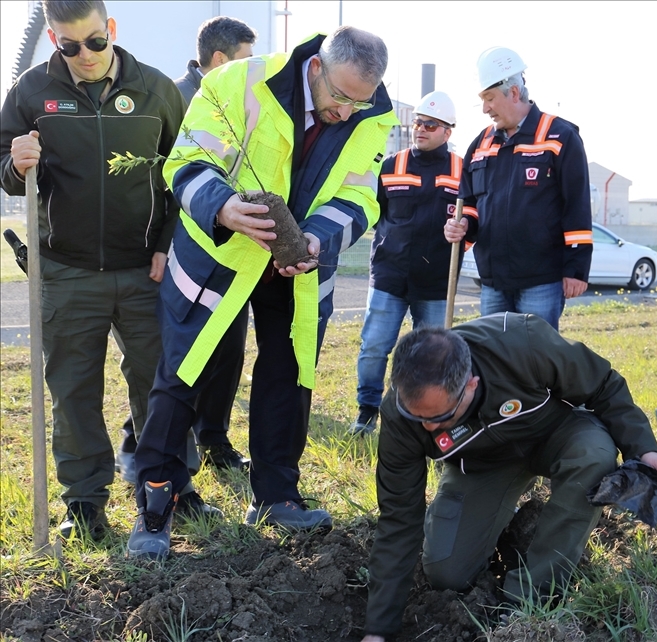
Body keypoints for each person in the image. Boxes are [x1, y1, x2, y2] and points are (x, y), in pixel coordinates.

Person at [126, 26, 397, 559]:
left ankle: (277, 495)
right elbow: (184, 161)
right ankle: (156, 500)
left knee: (288, 372)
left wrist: (317, 238)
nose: (344, 112)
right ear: (316, 68)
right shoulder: (239, 83)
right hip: (219, 254)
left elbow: (362, 196)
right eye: (339, 97)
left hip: (296, 268)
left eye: (357, 103)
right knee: (186, 369)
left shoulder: (373, 114)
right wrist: (224, 207)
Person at [0, 0, 210, 540]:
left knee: (158, 383)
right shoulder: (29, 92)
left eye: (95, 41)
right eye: (69, 46)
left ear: (110, 28)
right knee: (72, 391)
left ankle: (174, 488)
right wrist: (14, 161)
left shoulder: (157, 89)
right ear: (53, 39)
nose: (85, 56)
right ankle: (85, 504)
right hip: (66, 273)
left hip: (147, 270)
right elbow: (4, 168)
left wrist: (167, 242)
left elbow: (185, 172)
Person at [359, 313, 657, 641]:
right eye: (416, 416)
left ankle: (532, 594)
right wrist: (379, 629)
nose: (427, 427)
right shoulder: (402, 416)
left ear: (470, 384)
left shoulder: (523, 344)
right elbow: (399, 519)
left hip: (555, 436)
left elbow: (603, 384)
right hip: (482, 466)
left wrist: (644, 450)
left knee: (593, 455)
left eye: (441, 417)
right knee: (447, 573)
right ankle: (506, 522)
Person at [116, 15, 259, 480]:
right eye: (245, 60)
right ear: (220, 60)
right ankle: (139, 441)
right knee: (176, 355)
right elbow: (162, 179)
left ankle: (214, 438)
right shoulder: (174, 98)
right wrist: (160, 244)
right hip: (182, 249)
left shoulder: (247, 104)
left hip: (231, 246)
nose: (253, 71)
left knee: (227, 349)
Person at [444, 47, 593, 331]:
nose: (485, 108)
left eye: (489, 99)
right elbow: (471, 205)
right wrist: (462, 225)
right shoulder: (480, 145)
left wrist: (575, 269)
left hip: (542, 280)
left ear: (513, 93)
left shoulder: (560, 137)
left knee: (536, 361)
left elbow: (577, 206)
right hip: (492, 281)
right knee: (496, 361)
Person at [351, 91, 462, 435]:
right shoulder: (390, 166)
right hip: (389, 277)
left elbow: (472, 217)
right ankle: (367, 411)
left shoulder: (463, 171)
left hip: (435, 283)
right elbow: (374, 213)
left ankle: (412, 413)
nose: (420, 129)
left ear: (448, 131)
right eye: (417, 122)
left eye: (430, 124)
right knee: (374, 348)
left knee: (429, 358)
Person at [174, 15, 256, 103]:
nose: (250, 69)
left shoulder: (239, 97)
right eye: (245, 62)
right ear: (220, 59)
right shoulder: (175, 98)